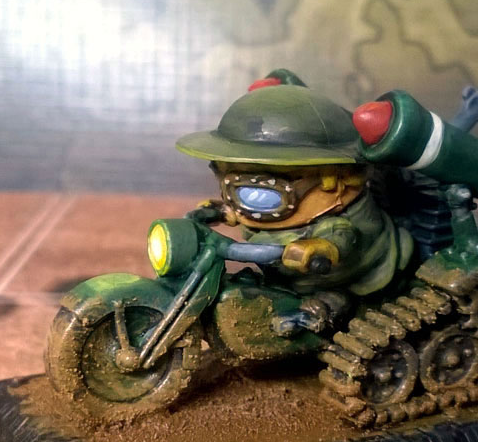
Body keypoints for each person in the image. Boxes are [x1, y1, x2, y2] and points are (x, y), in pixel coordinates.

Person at [174, 70, 415, 334]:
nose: (252, 195)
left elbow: (342, 239)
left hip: (349, 278)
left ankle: (318, 319)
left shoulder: (336, 219)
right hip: (283, 276)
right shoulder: (257, 209)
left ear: (333, 181)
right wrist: (220, 211)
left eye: (268, 189)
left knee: (332, 299)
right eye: (235, 182)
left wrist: (320, 248)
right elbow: (244, 211)